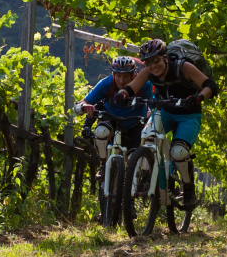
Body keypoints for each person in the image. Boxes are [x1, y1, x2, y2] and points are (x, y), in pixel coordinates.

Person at [115, 39, 219, 206]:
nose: (153, 66)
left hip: (188, 115)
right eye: (148, 62)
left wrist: (199, 97)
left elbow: (210, 85)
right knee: (147, 136)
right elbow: (131, 87)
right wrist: (122, 94)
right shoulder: (148, 71)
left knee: (178, 152)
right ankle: (147, 174)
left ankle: (188, 187)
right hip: (165, 111)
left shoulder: (183, 67)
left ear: (165, 57)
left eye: (156, 60)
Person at [74, 56, 153, 180]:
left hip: (135, 124)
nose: (121, 81)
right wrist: (85, 107)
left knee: (134, 158)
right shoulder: (106, 84)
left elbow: (155, 106)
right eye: (118, 76)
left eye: (126, 76)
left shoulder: (143, 85)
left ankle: (139, 181)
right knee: (101, 131)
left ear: (133, 75)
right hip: (112, 121)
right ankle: (103, 164)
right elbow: (83, 102)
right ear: (113, 74)